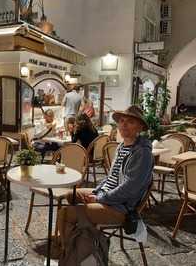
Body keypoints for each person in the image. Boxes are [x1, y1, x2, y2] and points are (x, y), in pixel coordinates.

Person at [57, 105, 154, 249]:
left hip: (121, 207)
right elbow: (111, 178)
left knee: (66, 213)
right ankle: (79, 240)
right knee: (70, 195)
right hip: (108, 197)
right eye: (121, 121)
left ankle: (68, 253)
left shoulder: (142, 153)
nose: (124, 124)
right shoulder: (122, 146)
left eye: (130, 122)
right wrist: (97, 192)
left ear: (140, 127)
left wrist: (99, 198)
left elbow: (129, 189)